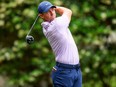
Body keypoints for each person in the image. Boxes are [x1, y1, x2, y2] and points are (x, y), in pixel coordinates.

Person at [38, 1, 82, 87]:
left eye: (52, 9)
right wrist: (56, 8)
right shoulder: (57, 25)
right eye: (48, 11)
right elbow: (68, 11)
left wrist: (51, 8)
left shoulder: (51, 24)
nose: (51, 12)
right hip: (64, 73)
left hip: (75, 70)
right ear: (41, 16)